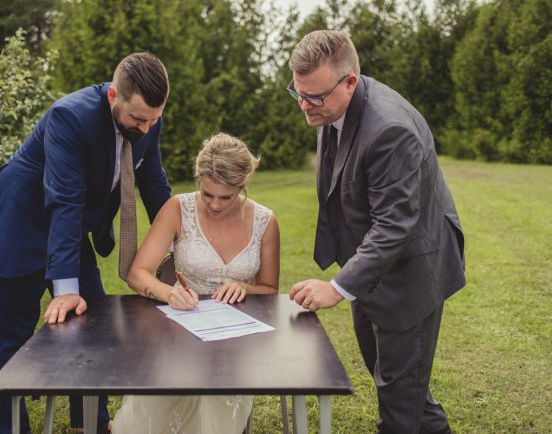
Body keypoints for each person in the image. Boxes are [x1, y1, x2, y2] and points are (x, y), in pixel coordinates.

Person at [0, 52, 172, 434]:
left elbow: (155, 185)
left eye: (154, 119)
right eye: (138, 119)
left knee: (94, 324)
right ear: (113, 96)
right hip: (20, 225)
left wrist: (179, 250)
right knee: (9, 339)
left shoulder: (148, 120)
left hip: (70, 228)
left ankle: (90, 423)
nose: (146, 129)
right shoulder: (70, 116)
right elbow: (65, 200)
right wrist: (65, 290)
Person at [286, 30, 465, 434]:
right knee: (402, 388)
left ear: (349, 82)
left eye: (314, 97)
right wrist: (351, 275)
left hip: (410, 275)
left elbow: (393, 225)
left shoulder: (390, 130)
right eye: (297, 93)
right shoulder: (329, 105)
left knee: (399, 405)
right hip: (368, 271)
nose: (304, 106)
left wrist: (338, 287)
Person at [111, 132, 280, 434]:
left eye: (226, 197)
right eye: (207, 194)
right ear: (199, 180)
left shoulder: (266, 222)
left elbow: (269, 290)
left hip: (235, 343)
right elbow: (138, 272)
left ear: (242, 185)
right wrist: (168, 293)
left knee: (217, 411)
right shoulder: (179, 208)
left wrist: (245, 287)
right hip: (177, 333)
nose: (214, 204)